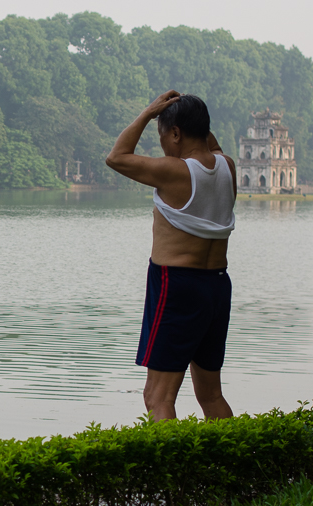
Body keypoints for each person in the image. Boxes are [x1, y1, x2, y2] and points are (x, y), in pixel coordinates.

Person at [106, 91, 235, 422]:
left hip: (176, 286)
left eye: (163, 134)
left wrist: (150, 112)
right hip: (217, 287)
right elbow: (211, 147)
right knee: (211, 394)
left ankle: (171, 473)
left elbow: (117, 157)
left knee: (157, 396)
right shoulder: (227, 168)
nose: (163, 143)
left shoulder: (174, 171)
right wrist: (193, 115)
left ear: (175, 133)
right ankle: (234, 468)